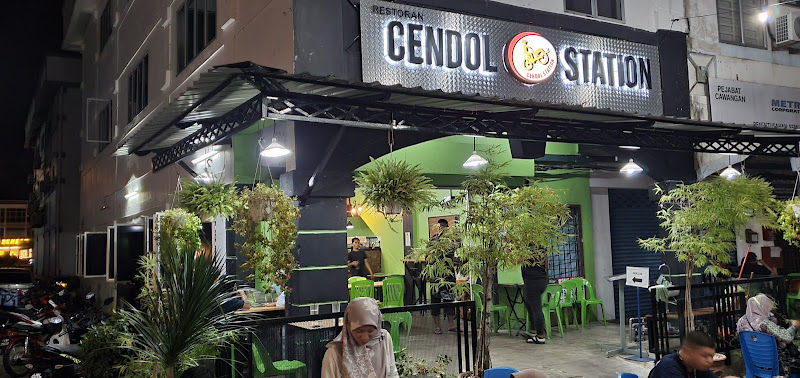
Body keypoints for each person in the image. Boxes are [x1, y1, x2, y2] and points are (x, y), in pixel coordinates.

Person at [321, 297, 399, 378]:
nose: (365, 338)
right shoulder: (335, 353)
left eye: (370, 331)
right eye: (359, 331)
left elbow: (392, 373)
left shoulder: (383, 339)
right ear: (348, 326)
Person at [737, 293, 800, 375]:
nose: (769, 311)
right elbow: (787, 337)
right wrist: (794, 326)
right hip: (774, 364)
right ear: (763, 307)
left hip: (753, 363)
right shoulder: (764, 323)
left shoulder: (741, 321)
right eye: (768, 309)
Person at [648, 331, 718, 378]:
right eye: (705, 356)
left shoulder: (697, 366)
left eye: (712, 356)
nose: (710, 361)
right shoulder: (668, 368)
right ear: (687, 352)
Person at [430, 218, 456, 334]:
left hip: (448, 274)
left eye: (444, 227)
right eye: (440, 226)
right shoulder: (433, 240)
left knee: (449, 299)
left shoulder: (450, 241)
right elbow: (428, 255)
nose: (442, 228)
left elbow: (453, 254)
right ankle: (437, 327)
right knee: (435, 301)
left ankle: (451, 324)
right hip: (436, 274)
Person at [521, 254, 547, 344]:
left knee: (536, 309)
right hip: (540, 280)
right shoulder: (540, 246)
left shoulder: (528, 249)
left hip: (533, 281)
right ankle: (533, 331)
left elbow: (518, 260)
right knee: (529, 304)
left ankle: (540, 336)